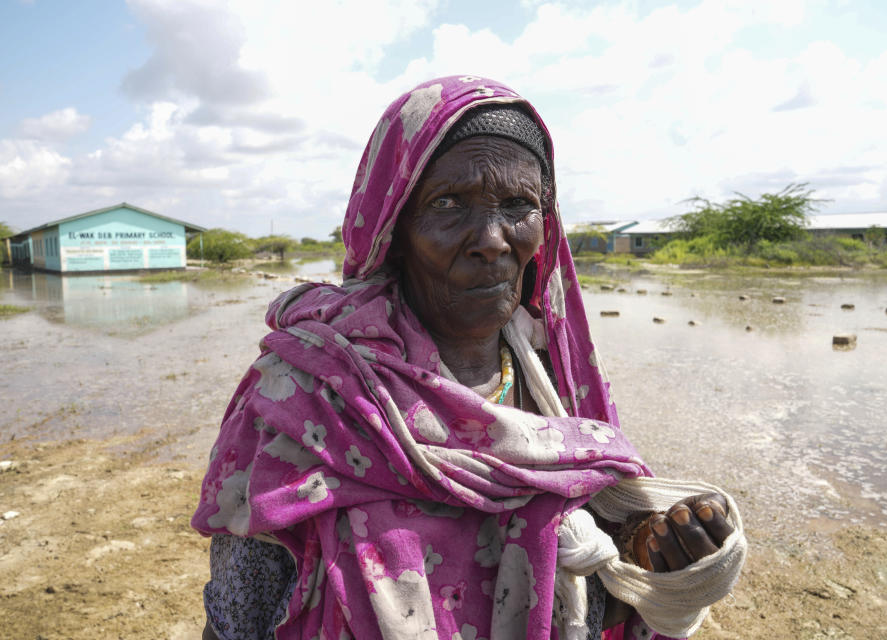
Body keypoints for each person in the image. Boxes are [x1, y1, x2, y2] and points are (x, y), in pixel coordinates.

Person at [193, 76, 746, 640]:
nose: (492, 238)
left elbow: (594, 554)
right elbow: (239, 619)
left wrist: (649, 549)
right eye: (448, 203)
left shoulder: (558, 380)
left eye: (518, 205)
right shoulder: (307, 392)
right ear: (393, 227)